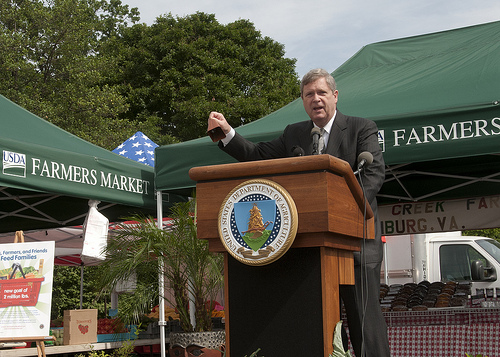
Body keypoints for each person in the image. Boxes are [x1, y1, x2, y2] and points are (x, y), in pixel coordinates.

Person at [208, 68, 390, 357]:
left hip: (356, 243)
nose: (315, 99)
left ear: (335, 96)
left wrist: (342, 208)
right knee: (317, 320)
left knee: (363, 322)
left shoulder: (361, 128)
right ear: (303, 101)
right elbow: (257, 158)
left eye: (321, 92)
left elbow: (373, 175)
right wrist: (227, 133)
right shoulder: (294, 134)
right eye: (309, 95)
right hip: (310, 249)